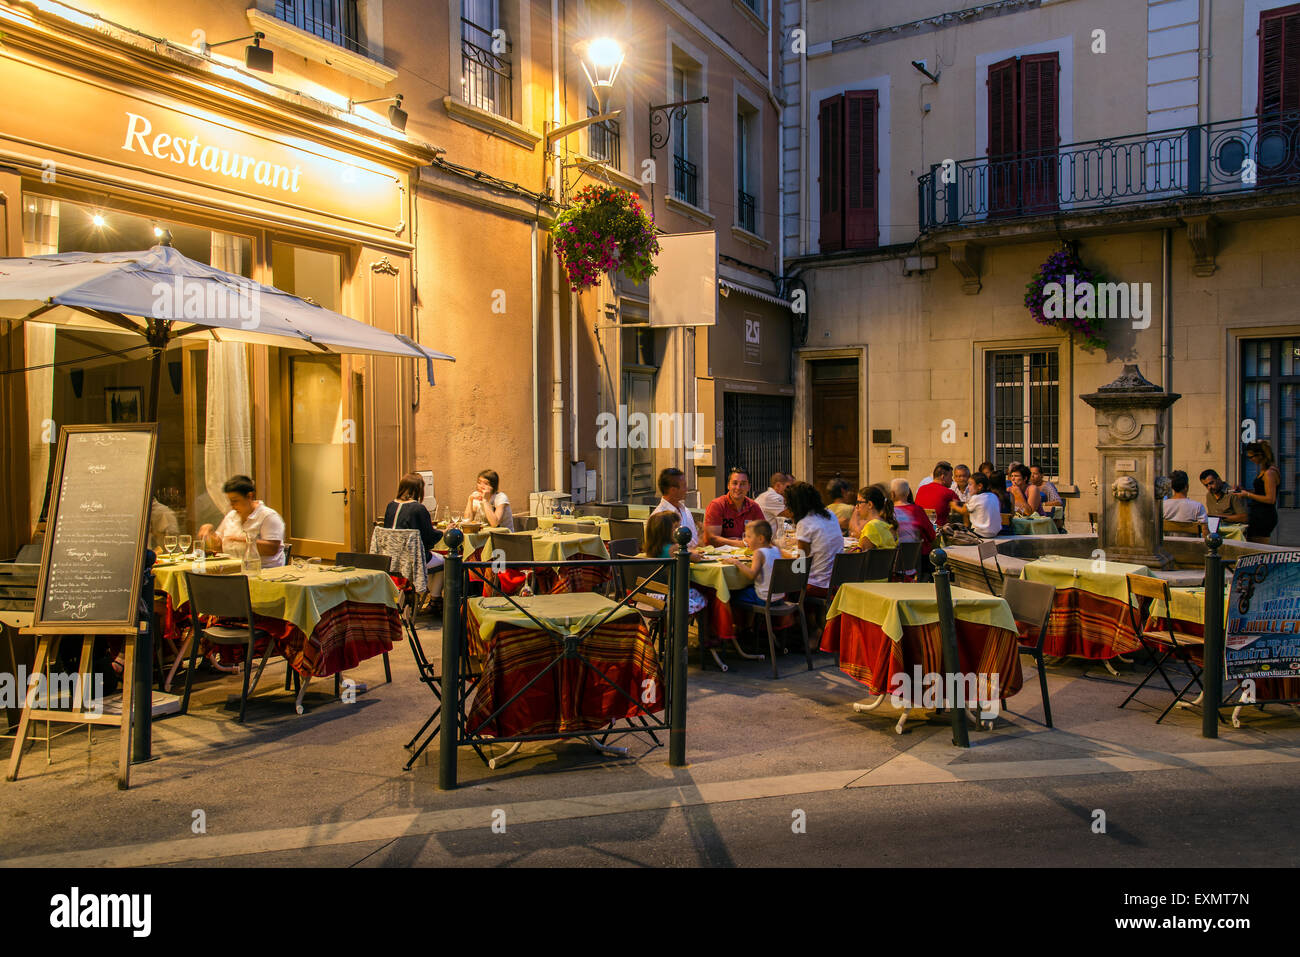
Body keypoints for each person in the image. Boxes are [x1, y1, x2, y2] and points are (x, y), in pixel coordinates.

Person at [198, 475, 286, 567]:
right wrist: (209, 531)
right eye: (230, 501)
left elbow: (272, 549)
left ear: (249, 496)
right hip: (233, 569)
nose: (231, 505)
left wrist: (242, 540)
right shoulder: (232, 515)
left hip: (264, 572)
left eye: (235, 501)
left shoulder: (268, 516)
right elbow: (218, 547)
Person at [784, 480, 844, 599]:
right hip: (835, 582)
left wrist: (779, 553)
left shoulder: (805, 523)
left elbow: (801, 564)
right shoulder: (830, 514)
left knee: (778, 583)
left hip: (817, 585)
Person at [641, 512, 707, 615]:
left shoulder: (651, 549)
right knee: (704, 598)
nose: (679, 530)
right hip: (673, 598)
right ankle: (696, 629)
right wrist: (700, 536)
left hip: (651, 596)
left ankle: (666, 627)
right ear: (665, 532)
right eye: (676, 527)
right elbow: (697, 558)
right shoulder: (674, 549)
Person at [384, 472, 444, 583]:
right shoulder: (418, 508)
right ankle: (435, 598)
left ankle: (427, 596)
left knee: (434, 560)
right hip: (412, 560)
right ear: (419, 489)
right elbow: (429, 538)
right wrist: (444, 532)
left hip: (391, 560)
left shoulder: (390, 506)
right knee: (446, 562)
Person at [723, 519, 784, 606]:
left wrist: (737, 562)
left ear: (760, 539)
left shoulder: (759, 552)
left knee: (730, 594)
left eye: (748, 536)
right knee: (749, 588)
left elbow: (751, 575)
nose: (745, 540)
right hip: (779, 598)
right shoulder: (776, 549)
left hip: (764, 599)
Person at [703, 467, 765, 548]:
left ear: (748, 487)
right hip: (720, 556)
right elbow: (712, 539)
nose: (738, 488)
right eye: (735, 483)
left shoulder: (754, 507)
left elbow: (763, 536)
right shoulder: (717, 505)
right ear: (728, 485)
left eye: (743, 484)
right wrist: (741, 543)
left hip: (747, 555)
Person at [1234, 440, 1282, 543]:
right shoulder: (1264, 470)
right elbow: (1261, 492)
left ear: (1259, 455)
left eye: (1251, 457)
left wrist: (1247, 494)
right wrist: (1245, 491)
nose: (1250, 460)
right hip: (1258, 514)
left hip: (1264, 515)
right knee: (1252, 543)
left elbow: (1270, 498)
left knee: (1258, 547)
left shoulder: (1269, 473)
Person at [890, 479, 936, 569]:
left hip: (893, 561)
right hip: (918, 561)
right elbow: (931, 536)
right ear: (908, 493)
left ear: (891, 494)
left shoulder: (887, 513)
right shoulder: (917, 510)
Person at [651, 467, 699, 547]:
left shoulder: (685, 511)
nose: (686, 489)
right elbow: (662, 551)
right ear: (673, 490)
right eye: (684, 486)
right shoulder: (658, 517)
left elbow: (695, 541)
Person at [953, 472, 1003, 538]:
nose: (968, 487)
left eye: (970, 484)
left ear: (979, 486)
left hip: (980, 533)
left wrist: (953, 505)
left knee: (953, 532)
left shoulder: (976, 498)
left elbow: (963, 511)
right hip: (995, 532)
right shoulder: (993, 496)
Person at [855, 484, 898, 551]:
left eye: (859, 502)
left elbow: (862, 558)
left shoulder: (871, 527)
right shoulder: (888, 525)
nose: (856, 507)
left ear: (870, 504)